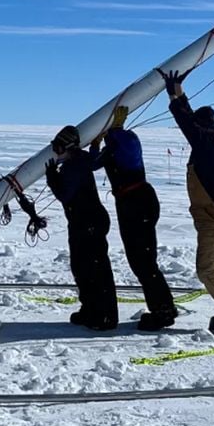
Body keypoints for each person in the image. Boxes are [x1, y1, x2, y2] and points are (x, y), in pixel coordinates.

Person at [158, 69, 214, 336]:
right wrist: (177, 92)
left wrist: (175, 93)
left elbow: (187, 123)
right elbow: (190, 123)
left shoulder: (208, 143)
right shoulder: (209, 142)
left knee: (208, 269)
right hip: (213, 215)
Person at [89, 105, 177, 331]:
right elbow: (99, 160)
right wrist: (102, 140)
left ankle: (163, 311)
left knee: (143, 262)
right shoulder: (122, 145)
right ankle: (164, 306)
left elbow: (100, 161)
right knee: (143, 260)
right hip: (137, 202)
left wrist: (105, 137)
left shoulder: (122, 144)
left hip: (135, 204)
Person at [46, 125, 119, 331]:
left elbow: (64, 195)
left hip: (88, 222)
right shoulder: (81, 159)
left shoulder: (73, 166)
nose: (56, 151)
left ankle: (105, 316)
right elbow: (95, 161)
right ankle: (90, 309)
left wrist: (53, 178)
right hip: (83, 222)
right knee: (81, 267)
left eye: (58, 147)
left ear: (68, 147)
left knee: (95, 270)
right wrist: (96, 146)